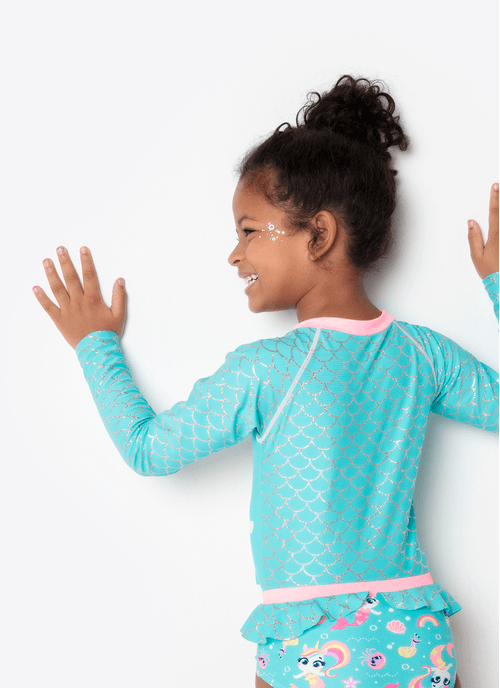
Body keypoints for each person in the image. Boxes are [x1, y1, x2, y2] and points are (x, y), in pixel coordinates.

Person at [33, 76, 497, 687]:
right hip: (415, 633)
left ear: (320, 235)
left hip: (310, 643)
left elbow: (147, 449)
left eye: (249, 231)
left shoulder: (267, 370)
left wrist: (95, 346)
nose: (234, 255)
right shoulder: (421, 354)